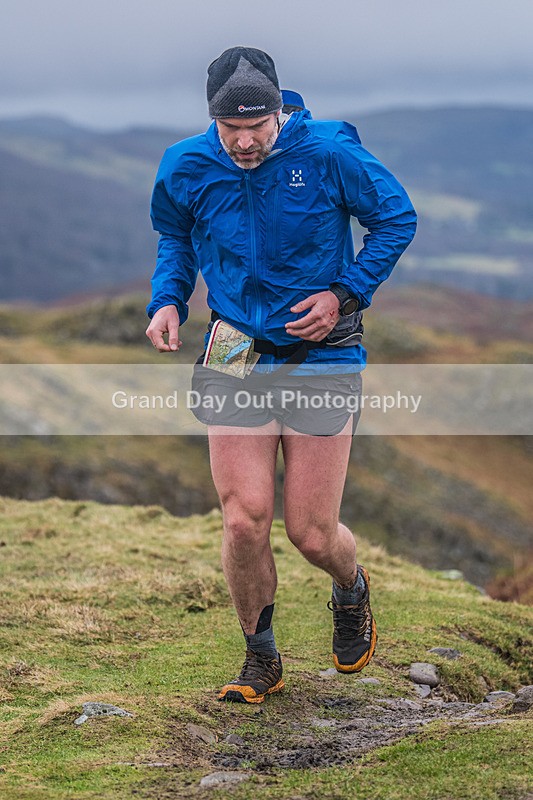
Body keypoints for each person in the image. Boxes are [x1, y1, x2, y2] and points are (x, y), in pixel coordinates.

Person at [146, 46, 417, 704]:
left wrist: (344, 293)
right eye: (231, 130)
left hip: (320, 352)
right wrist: (167, 298)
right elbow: (175, 237)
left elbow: (395, 219)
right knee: (243, 519)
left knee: (310, 533)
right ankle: (259, 655)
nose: (244, 142)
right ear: (212, 119)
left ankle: (350, 589)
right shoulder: (185, 163)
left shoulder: (327, 153)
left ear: (280, 112)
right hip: (234, 344)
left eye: (257, 128)